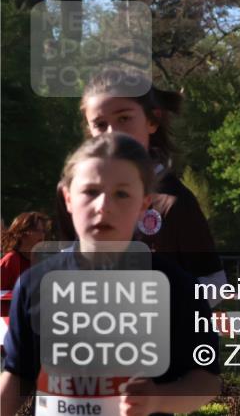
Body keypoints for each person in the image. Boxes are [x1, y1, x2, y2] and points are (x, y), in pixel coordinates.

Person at [0, 133, 221, 416]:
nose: (103, 206)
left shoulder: (176, 286)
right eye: (90, 191)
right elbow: (18, 374)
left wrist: (157, 399)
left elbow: (206, 380)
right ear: (68, 198)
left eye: (122, 194)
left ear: (144, 204)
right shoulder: (34, 284)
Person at [56, 70, 225, 296]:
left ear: (152, 120)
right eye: (100, 124)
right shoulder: (74, 194)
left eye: (124, 119)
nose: (113, 132)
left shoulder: (173, 201)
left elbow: (215, 283)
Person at [0, 212, 50, 318]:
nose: (42, 235)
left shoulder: (41, 262)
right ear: (22, 233)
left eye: (43, 231)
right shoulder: (11, 260)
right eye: (37, 230)